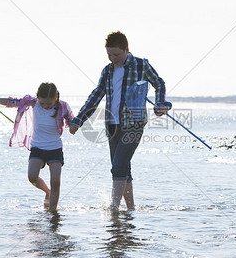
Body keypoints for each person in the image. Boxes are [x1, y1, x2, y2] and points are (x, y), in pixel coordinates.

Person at [69, 31, 171, 210]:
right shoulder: (108, 70)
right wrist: (79, 119)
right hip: (112, 124)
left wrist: (160, 103)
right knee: (123, 168)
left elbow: (159, 83)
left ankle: (113, 207)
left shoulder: (141, 65)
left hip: (134, 123)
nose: (112, 58)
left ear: (126, 49)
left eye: (116, 54)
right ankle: (130, 209)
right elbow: (96, 95)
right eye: (109, 55)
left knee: (118, 166)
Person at [0, 82, 73, 211]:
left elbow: (71, 120)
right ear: (38, 98)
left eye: (49, 104)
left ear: (55, 98)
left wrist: (73, 127)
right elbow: (11, 102)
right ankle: (48, 192)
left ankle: (52, 212)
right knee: (32, 177)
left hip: (55, 148)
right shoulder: (32, 103)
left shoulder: (62, 106)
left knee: (56, 181)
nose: (46, 106)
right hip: (37, 148)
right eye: (43, 103)